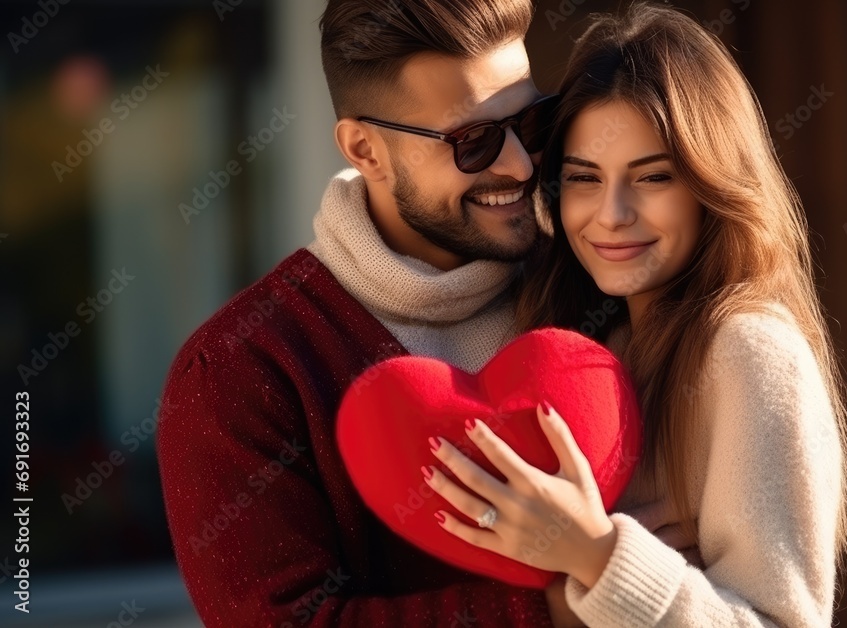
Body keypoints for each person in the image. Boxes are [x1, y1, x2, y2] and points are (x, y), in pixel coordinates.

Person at [422, 3, 847, 626]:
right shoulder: (586, 342)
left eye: (652, 178)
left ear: (711, 185)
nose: (613, 214)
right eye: (584, 178)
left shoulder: (748, 350)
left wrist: (599, 555)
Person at [156, 1, 566, 625]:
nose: (520, 163)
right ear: (365, 149)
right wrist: (562, 609)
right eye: (474, 142)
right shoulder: (240, 370)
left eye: (533, 122)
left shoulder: (594, 287)